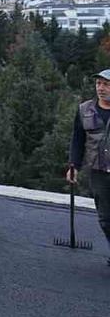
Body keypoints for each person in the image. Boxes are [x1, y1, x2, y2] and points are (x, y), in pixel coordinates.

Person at [65, 68, 110, 266]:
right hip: (98, 171)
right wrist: (73, 164)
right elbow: (78, 138)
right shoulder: (85, 109)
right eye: (99, 83)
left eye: (106, 84)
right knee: (105, 218)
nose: (101, 88)